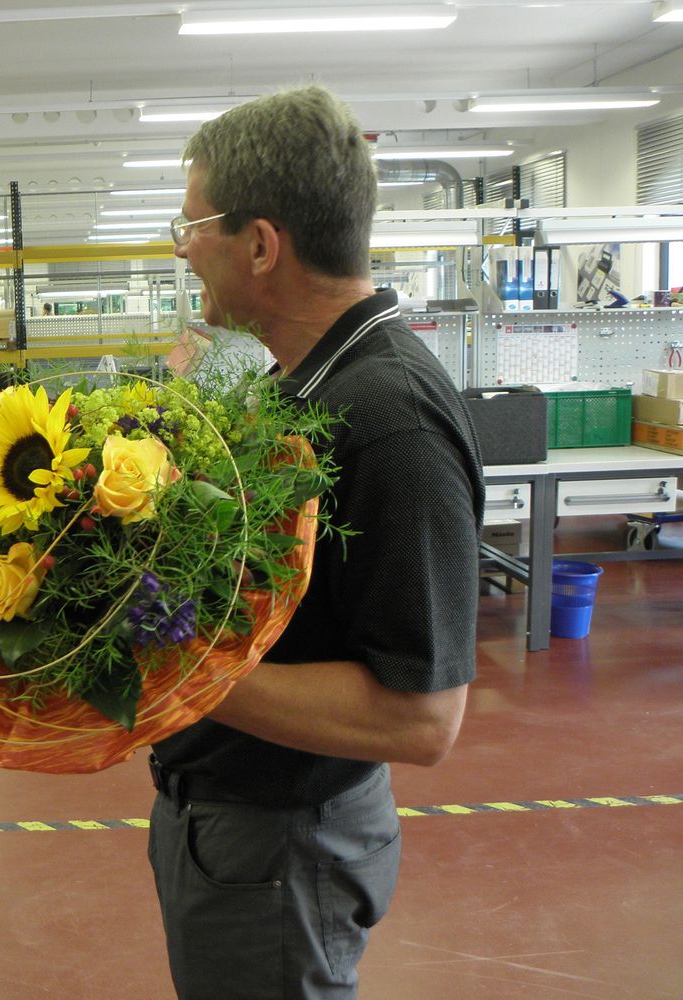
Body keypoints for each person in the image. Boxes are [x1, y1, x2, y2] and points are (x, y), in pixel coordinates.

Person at [147, 85, 485, 1000]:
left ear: (261, 245)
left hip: (283, 849)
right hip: (238, 832)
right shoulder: (307, 383)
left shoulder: (387, 419)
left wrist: (171, 667)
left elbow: (420, 719)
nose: (182, 250)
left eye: (192, 228)